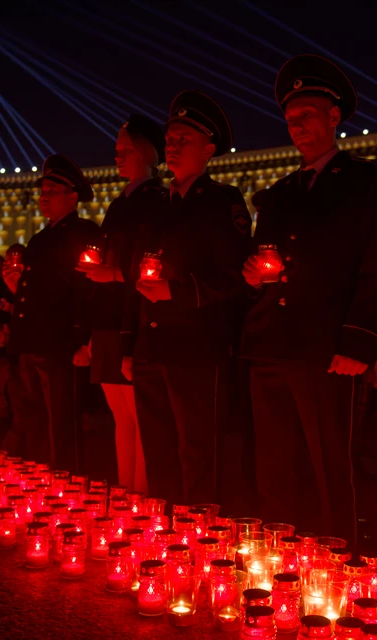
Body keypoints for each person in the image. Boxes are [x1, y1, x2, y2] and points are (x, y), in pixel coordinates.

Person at [240, 54, 377, 542]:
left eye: (306, 114)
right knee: (275, 472)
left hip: (328, 348)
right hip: (271, 343)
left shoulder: (367, 181)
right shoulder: (280, 192)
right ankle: (282, 567)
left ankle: (340, 575)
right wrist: (252, 276)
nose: (297, 126)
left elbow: (375, 265)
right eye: (290, 119)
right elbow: (265, 261)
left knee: (333, 470)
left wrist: (359, 340)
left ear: (334, 116)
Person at [129, 91, 251, 506]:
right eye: (170, 139)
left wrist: (178, 293)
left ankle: (201, 545)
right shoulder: (158, 204)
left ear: (209, 149)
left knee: (198, 454)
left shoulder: (223, 202)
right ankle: (163, 542)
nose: (172, 146)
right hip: (153, 346)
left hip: (197, 347)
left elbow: (235, 275)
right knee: (158, 452)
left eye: (184, 139)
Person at [77, 113, 167, 494]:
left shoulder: (157, 201)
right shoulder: (119, 204)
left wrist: (115, 275)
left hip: (136, 318)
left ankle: (141, 495)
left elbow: (151, 262)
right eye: (116, 150)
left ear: (148, 153)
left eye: (126, 150)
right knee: (121, 417)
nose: (117, 156)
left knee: (139, 416)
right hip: (109, 318)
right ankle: (125, 488)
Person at [3, 154, 101, 473]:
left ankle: (68, 487)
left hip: (62, 343)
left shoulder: (84, 233)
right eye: (43, 192)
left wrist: (84, 340)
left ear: (73, 196)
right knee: (36, 418)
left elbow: (88, 291)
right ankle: (41, 479)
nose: (44, 198)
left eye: (52, 192)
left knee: (63, 423)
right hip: (33, 342)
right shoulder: (40, 238)